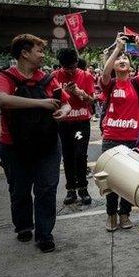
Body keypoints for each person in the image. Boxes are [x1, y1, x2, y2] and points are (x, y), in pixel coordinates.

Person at [0, 34, 71, 252]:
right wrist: (41, 103)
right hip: (14, 145)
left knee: (46, 188)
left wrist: (63, 111)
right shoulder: (4, 77)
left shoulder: (47, 79)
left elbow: (65, 102)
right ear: (24, 53)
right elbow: (2, 99)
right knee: (19, 189)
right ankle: (24, 226)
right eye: (39, 51)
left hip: (47, 144)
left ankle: (45, 234)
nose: (42, 55)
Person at [100, 33, 139, 231]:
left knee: (128, 180)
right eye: (119, 59)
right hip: (111, 138)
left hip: (131, 139)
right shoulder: (109, 83)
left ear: (130, 67)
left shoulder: (137, 83)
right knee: (111, 179)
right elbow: (105, 72)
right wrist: (117, 49)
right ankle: (111, 215)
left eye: (125, 59)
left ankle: (125, 214)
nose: (122, 61)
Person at [53, 48, 95, 205]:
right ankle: (71, 190)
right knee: (68, 156)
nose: (69, 71)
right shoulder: (55, 76)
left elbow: (92, 101)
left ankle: (83, 189)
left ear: (77, 63)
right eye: (66, 68)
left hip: (80, 124)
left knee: (80, 154)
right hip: (64, 124)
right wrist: (63, 92)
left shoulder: (86, 76)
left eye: (72, 67)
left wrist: (79, 92)